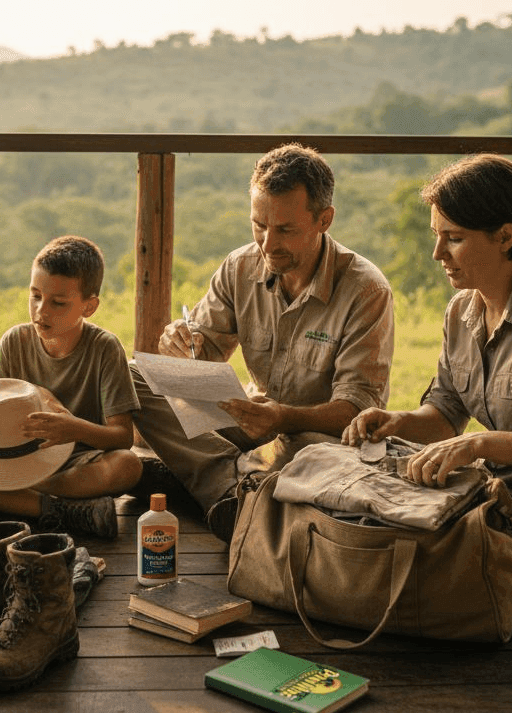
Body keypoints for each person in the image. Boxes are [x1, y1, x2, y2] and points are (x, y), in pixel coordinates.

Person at [341, 153, 512, 575]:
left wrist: (479, 444)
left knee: (391, 546)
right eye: (436, 235)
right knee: (356, 508)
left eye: (453, 238)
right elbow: (444, 415)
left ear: (505, 236)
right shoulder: (461, 312)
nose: (438, 253)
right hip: (494, 495)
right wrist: (395, 421)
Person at [132, 142, 395, 541]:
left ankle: (206, 479)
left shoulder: (366, 290)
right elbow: (203, 353)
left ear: (324, 219)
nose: (268, 244)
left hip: (315, 438)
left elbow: (358, 409)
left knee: (311, 458)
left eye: (286, 230)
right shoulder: (240, 266)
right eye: (259, 225)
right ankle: (230, 486)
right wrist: (182, 344)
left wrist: (284, 416)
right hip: (251, 423)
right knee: (134, 375)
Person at [0, 235, 141, 539]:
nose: (41, 310)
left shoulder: (105, 348)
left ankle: (15, 499)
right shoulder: (15, 340)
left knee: (127, 466)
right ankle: (60, 510)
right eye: (35, 296)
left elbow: (122, 437)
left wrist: (73, 429)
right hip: (6, 461)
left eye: (58, 302)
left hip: (75, 465)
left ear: (90, 306)